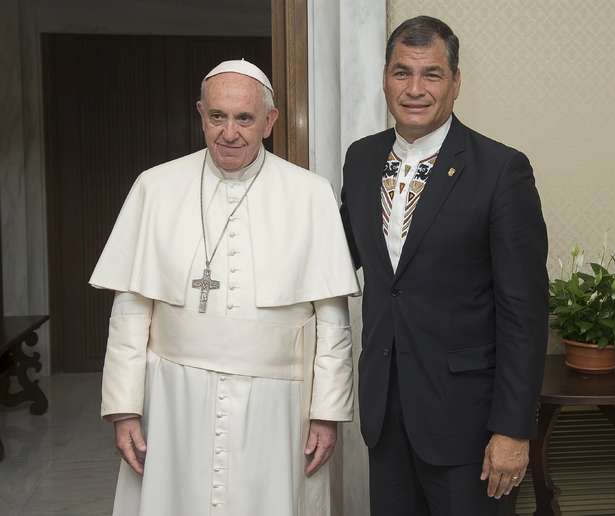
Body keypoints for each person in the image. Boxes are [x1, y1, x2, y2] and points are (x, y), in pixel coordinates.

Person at [90, 59, 360, 516]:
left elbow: (332, 317)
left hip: (277, 406)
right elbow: (131, 309)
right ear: (200, 113)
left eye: (244, 118)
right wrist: (124, 408)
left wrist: (326, 413)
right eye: (217, 117)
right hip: (176, 399)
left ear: (270, 122)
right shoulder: (155, 188)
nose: (228, 133)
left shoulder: (310, 194)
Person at [340, 16, 549, 516]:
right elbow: (339, 258)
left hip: (469, 427)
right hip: (385, 417)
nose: (415, 89)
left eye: (431, 74)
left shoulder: (501, 170)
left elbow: (525, 312)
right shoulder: (361, 159)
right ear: (384, 78)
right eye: (401, 73)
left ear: (456, 82)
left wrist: (513, 430)